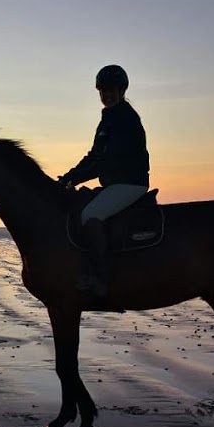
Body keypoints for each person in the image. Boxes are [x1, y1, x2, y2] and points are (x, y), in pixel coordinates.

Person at [58, 64, 150, 300]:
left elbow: (104, 160)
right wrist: (69, 176)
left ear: (122, 91)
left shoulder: (126, 119)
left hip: (130, 183)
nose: (107, 94)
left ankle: (99, 276)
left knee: (91, 215)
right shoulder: (108, 118)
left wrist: (75, 178)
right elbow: (94, 156)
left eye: (111, 90)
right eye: (103, 90)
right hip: (115, 183)